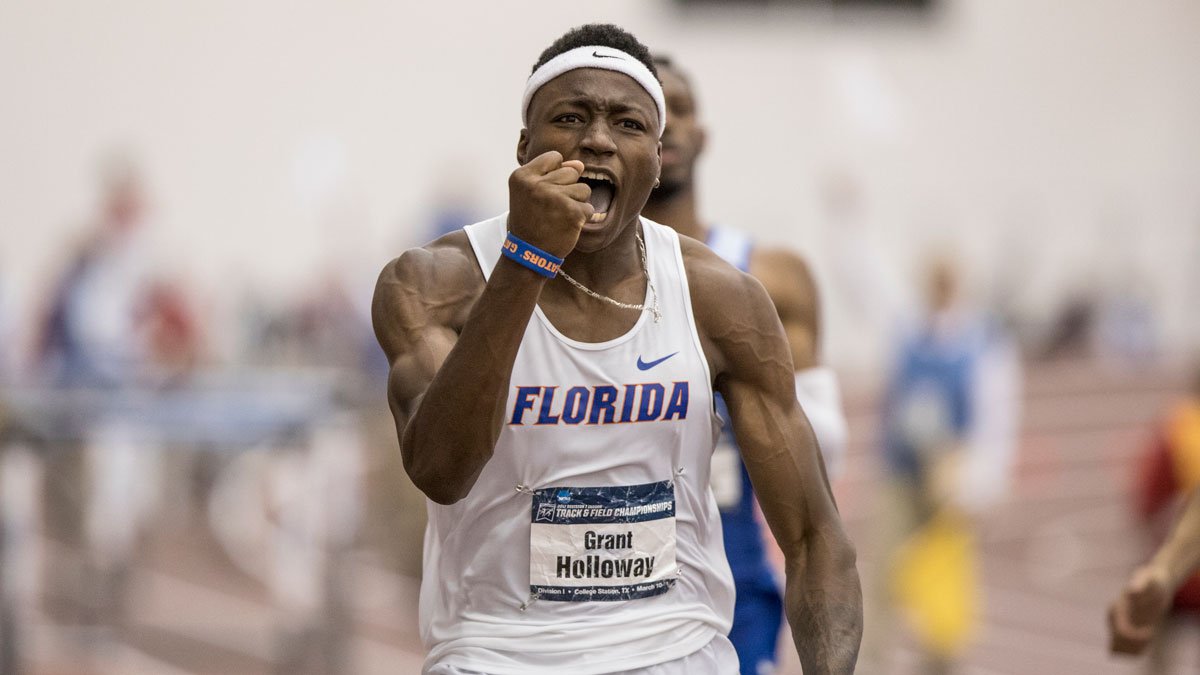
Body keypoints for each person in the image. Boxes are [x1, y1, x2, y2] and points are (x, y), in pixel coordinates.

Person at [372, 23, 861, 675]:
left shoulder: (721, 299)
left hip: (675, 649)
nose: (597, 139)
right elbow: (441, 469)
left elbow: (814, 538)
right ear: (524, 146)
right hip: (497, 652)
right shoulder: (433, 284)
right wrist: (525, 260)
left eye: (627, 124)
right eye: (570, 117)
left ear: (657, 159)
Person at [639, 55, 849, 675]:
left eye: (680, 109)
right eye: (649, 114)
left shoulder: (771, 277)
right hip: (610, 571)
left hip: (733, 575)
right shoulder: (571, 282)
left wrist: (728, 395)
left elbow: (823, 446)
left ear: (703, 134)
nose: (668, 126)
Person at [1109, 368, 1200, 661]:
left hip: (1177, 572)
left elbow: (1148, 500)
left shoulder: (1177, 427)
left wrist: (1157, 562)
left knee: (1156, 658)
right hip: (1179, 571)